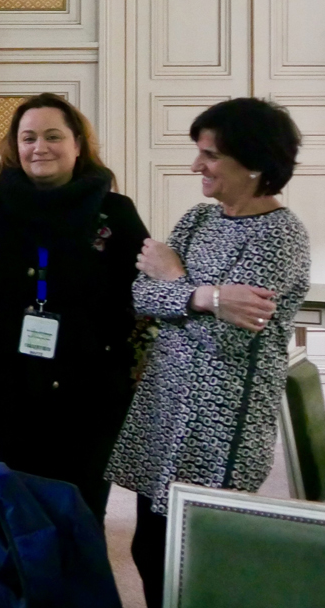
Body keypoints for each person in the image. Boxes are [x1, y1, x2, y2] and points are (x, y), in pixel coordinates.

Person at [106, 98, 310, 607]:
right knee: (148, 547)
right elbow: (141, 295)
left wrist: (178, 280)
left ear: (255, 163)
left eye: (211, 155)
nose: (197, 165)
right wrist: (208, 297)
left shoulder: (280, 235)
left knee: (195, 563)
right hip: (166, 409)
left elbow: (229, 341)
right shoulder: (199, 219)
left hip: (221, 428)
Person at [0, 93, 148, 522]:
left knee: (79, 522)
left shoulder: (115, 214)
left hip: (90, 398)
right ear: (15, 147)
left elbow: (144, 296)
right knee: (14, 523)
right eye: (28, 138)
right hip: (7, 394)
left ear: (78, 144)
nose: (39, 147)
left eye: (53, 136)